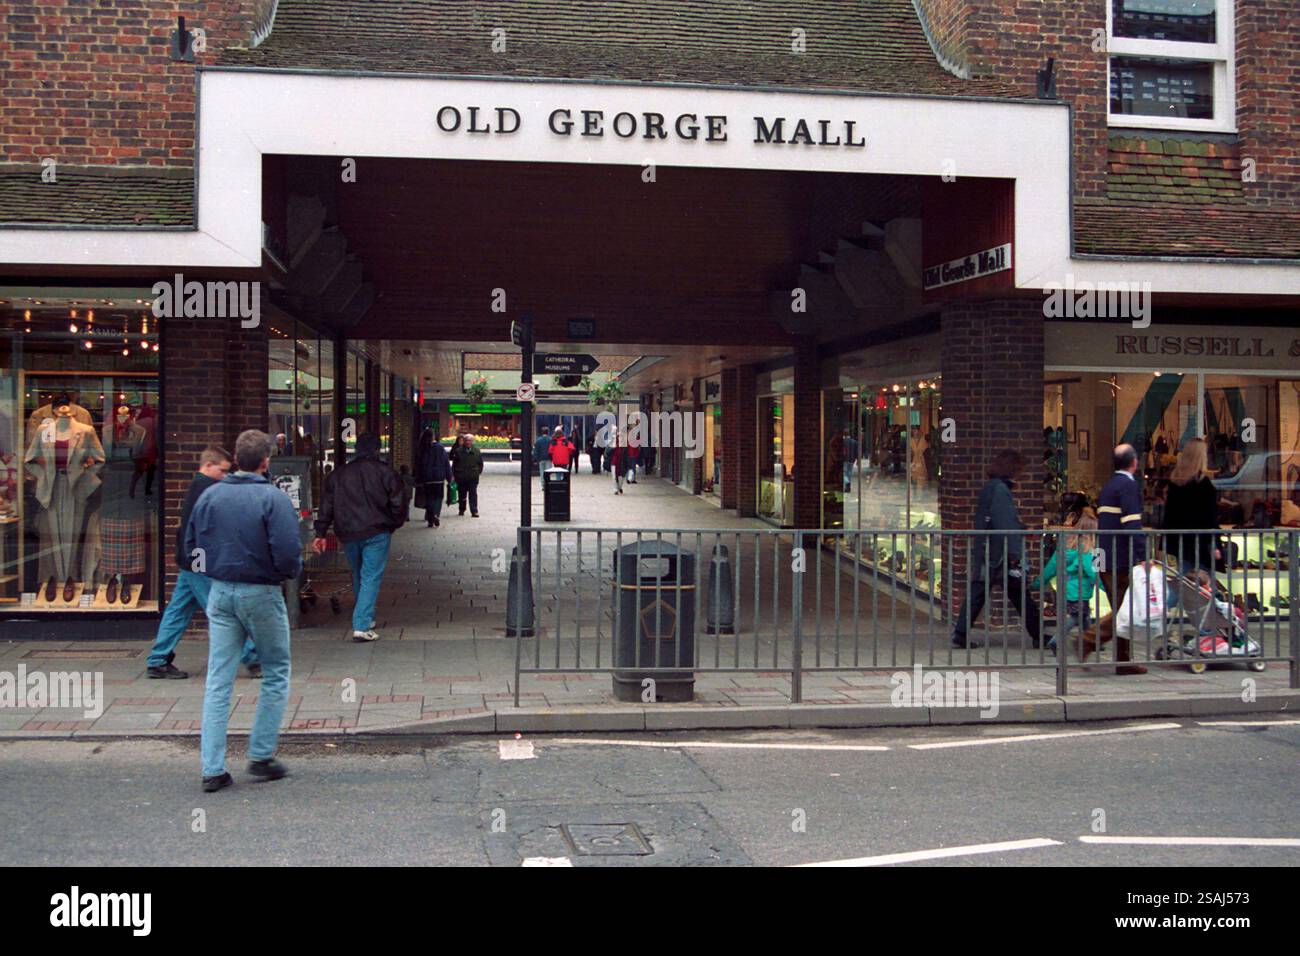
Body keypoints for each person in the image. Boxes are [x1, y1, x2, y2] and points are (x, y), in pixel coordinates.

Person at [187, 429, 301, 793]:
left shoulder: (210, 496)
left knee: (218, 679)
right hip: (261, 592)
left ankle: (212, 768)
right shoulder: (273, 498)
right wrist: (287, 572)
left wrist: (214, 572)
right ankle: (261, 754)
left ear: (236, 459)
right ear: (266, 461)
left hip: (220, 591)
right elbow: (286, 552)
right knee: (276, 670)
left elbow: (192, 546)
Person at [147, 446, 261, 679]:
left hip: (191, 560)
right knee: (222, 612)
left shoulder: (199, 486)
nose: (225, 476)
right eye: (222, 471)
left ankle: (158, 659)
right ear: (208, 465)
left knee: (178, 611)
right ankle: (252, 658)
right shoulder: (207, 488)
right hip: (200, 562)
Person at [312, 432, 404, 642]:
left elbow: (326, 505)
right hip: (377, 531)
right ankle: (362, 625)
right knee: (371, 575)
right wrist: (393, 523)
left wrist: (321, 531)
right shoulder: (385, 473)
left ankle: (366, 615)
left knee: (358, 573)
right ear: (376, 449)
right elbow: (399, 502)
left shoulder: (338, 474)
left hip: (348, 532)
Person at [950, 449, 1042, 649]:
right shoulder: (1000, 489)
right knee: (1019, 596)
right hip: (999, 554)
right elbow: (1005, 522)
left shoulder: (991, 487)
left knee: (979, 593)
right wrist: (1015, 553)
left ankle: (961, 632)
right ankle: (1038, 635)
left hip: (989, 550)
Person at [1079, 443, 1148, 674]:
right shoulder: (1128, 486)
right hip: (1121, 557)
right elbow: (1132, 524)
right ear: (1134, 462)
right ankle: (1088, 640)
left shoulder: (1109, 487)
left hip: (1104, 554)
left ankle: (1123, 660)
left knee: (1122, 608)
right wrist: (1142, 556)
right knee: (1124, 609)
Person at [1034, 509, 1100, 656]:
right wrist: (1105, 585)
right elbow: (1092, 571)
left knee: (1084, 616)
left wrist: (1038, 583)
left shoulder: (1068, 547)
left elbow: (1051, 567)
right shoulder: (1089, 550)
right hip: (1080, 590)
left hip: (1068, 588)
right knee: (1077, 617)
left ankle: (1090, 641)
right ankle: (1056, 640)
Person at [1163, 437, 1221, 574]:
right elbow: (1210, 518)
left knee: (1185, 582)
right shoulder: (1203, 484)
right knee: (1203, 586)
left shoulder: (1175, 481)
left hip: (1181, 542)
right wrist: (1215, 544)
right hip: (1201, 542)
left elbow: (1169, 514)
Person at [414, 428, 451, 527]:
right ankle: (435, 514)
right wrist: (449, 477)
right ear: (434, 436)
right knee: (438, 498)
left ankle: (431, 518)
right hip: (439, 478)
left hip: (427, 478)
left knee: (429, 499)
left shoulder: (422, 448)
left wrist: (417, 478)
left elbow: (418, 464)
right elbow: (446, 463)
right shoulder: (440, 448)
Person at [453, 431, 484, 517]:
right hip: (461, 477)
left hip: (473, 477)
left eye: (470, 440)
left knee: (473, 494)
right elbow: (454, 465)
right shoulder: (458, 451)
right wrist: (455, 475)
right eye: (466, 440)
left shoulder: (477, 451)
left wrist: (477, 472)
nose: (468, 442)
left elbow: (480, 463)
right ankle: (461, 509)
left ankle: (474, 511)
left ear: (472, 441)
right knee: (462, 494)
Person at [608, 427, 627, 494]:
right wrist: (612, 447)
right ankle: (615, 489)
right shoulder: (612, 442)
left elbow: (626, 454)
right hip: (614, 462)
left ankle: (619, 487)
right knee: (614, 476)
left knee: (621, 477)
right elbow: (607, 452)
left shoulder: (624, 444)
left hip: (622, 462)